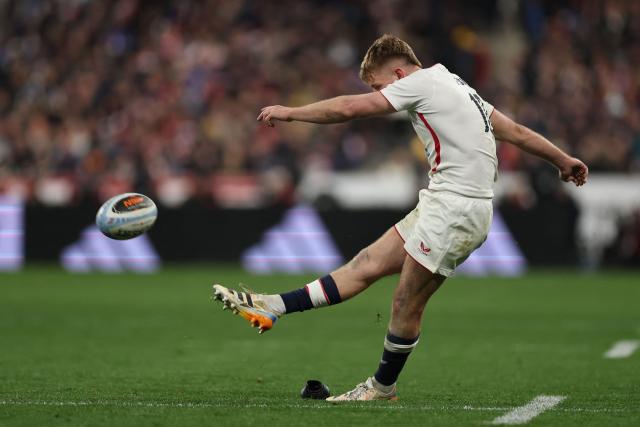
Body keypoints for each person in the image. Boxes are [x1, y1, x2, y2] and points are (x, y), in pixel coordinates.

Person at [212, 34, 588, 401]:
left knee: (406, 302)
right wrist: (563, 160)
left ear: (397, 74)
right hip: (444, 200)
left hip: (456, 207)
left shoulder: (419, 83)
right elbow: (516, 132)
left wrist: (292, 112)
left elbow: (347, 109)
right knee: (366, 263)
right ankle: (272, 306)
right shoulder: (456, 85)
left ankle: (382, 388)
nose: (379, 95)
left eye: (378, 86)